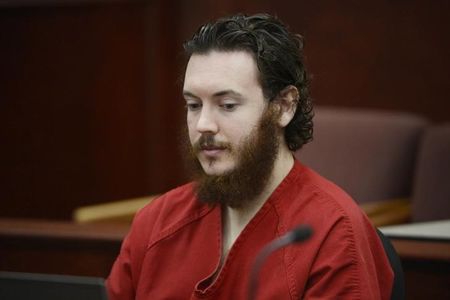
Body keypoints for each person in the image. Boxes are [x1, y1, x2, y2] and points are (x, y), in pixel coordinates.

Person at [107, 13, 393, 299]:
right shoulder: (156, 222)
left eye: (227, 105)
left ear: (284, 106)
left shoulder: (334, 232)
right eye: (193, 105)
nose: (203, 124)